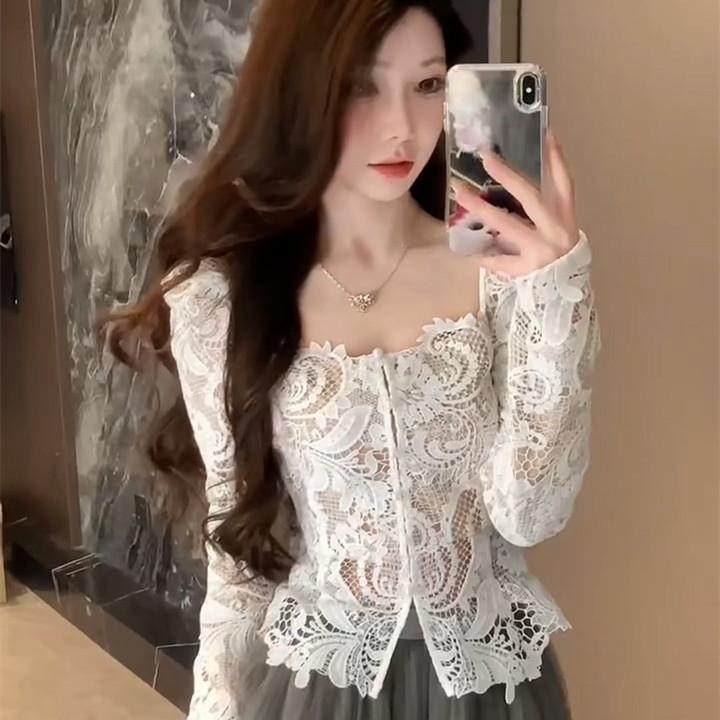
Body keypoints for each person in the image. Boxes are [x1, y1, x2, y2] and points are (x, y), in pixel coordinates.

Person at [100, 1, 601, 718]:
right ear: (299, 89)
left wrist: (556, 295)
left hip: (493, 687)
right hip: (320, 689)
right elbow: (238, 565)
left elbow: (529, 514)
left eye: (428, 84)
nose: (402, 126)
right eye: (362, 86)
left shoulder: (502, 274)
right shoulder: (223, 299)